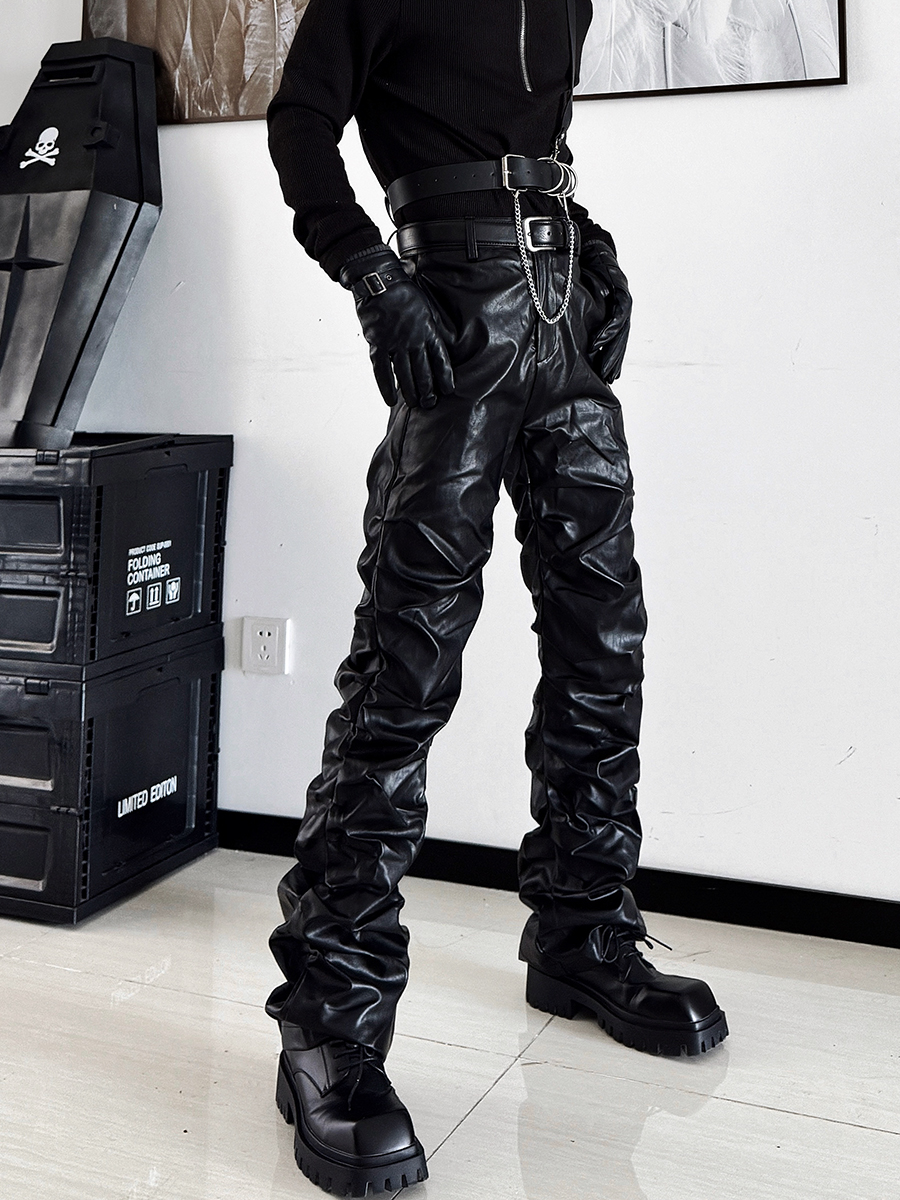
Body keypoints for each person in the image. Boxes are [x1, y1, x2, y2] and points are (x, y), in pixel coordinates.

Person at [264, 1, 728, 1194]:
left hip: (561, 312)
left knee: (602, 640)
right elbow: (299, 124)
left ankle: (582, 933)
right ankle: (328, 1018)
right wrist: (375, 279)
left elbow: (532, 137)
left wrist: (589, 244)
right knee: (406, 661)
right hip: (455, 310)